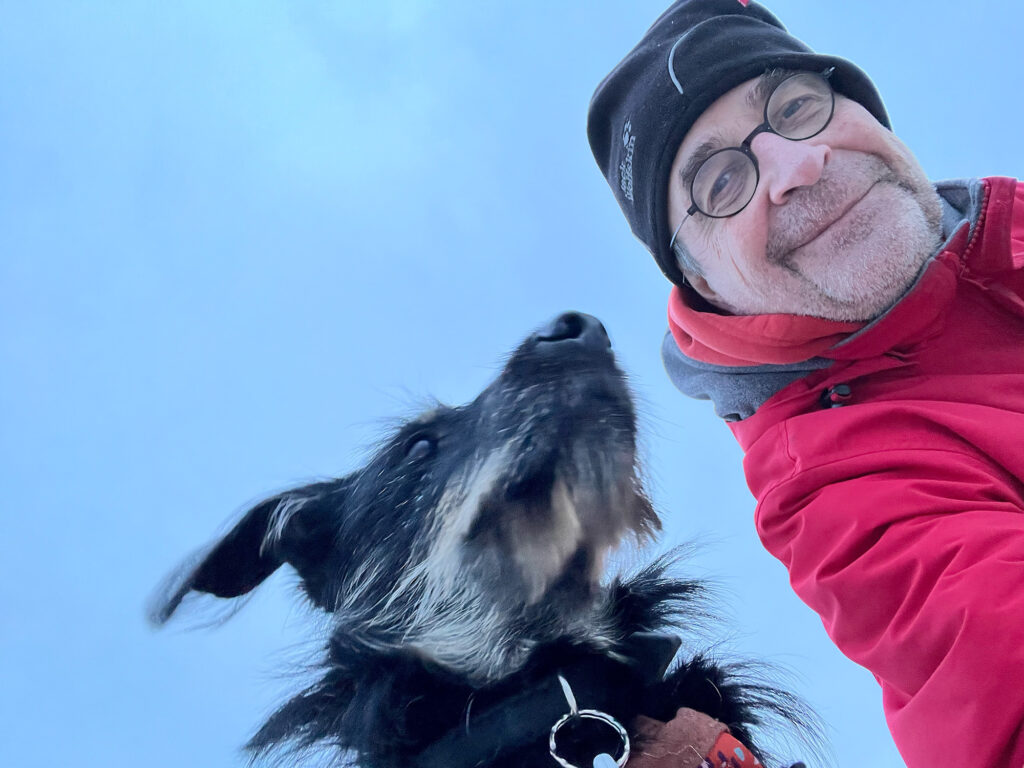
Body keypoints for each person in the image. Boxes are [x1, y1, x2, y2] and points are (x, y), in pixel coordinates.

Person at [587, 0, 1024, 766]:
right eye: (722, 184)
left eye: (795, 106)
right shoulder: (837, 483)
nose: (798, 166)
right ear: (703, 283)